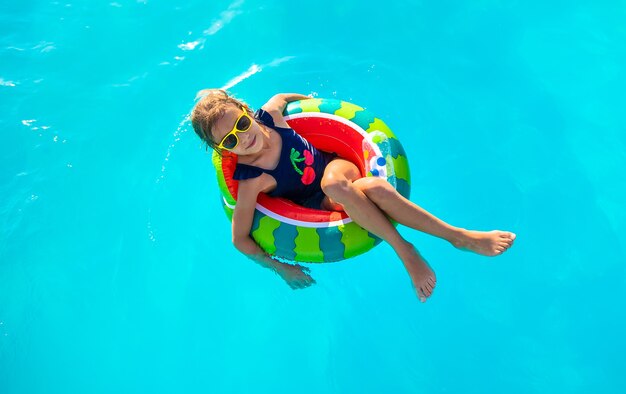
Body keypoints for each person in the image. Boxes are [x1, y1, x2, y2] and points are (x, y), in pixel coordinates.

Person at [191, 89, 516, 302]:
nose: (243, 138)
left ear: (247, 111)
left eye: (242, 124)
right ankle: (457, 237)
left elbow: (283, 96)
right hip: (320, 203)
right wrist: (280, 268)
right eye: (230, 141)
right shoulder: (251, 181)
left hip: (339, 168)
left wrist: (314, 105)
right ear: (221, 149)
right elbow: (239, 239)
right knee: (373, 188)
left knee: (335, 183)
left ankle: (406, 252)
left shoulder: (272, 117)